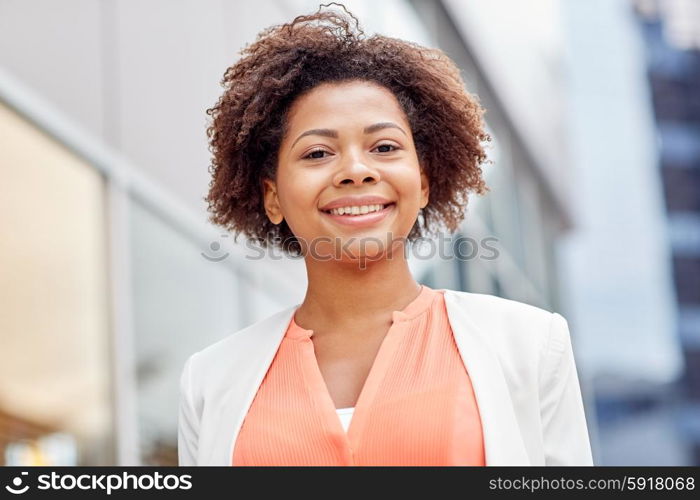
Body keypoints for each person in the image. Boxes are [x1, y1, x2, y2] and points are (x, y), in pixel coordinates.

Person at [178, 2, 594, 466]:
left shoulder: (530, 344)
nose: (356, 170)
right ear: (272, 197)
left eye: (384, 147)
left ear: (424, 183)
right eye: (317, 153)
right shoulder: (209, 381)